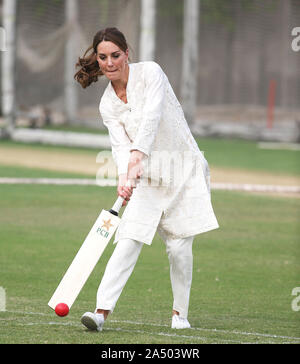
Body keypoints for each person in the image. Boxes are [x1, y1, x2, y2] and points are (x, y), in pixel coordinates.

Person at [74, 27, 219, 331]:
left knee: (179, 249)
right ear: (97, 60)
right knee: (127, 239)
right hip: (147, 180)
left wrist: (137, 156)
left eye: (115, 55)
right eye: (103, 57)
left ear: (127, 53)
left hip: (184, 170)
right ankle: (101, 312)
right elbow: (119, 146)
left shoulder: (151, 73)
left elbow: (152, 115)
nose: (109, 62)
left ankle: (180, 314)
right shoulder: (107, 105)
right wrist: (125, 174)